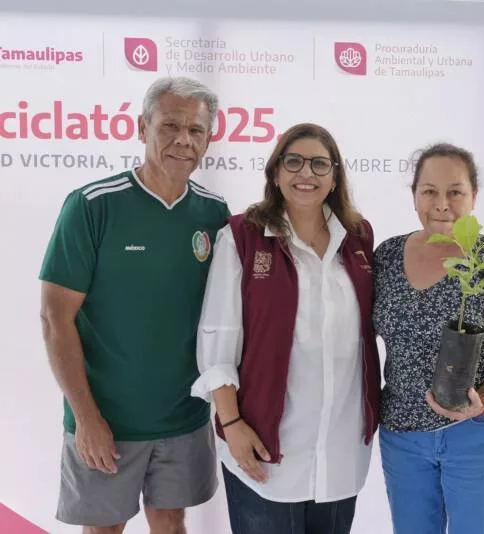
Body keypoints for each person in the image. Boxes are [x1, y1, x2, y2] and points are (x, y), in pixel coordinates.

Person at [38, 76, 229, 534]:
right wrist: (87, 418)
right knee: (103, 528)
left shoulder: (215, 213)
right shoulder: (92, 206)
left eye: (196, 130)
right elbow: (54, 318)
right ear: (142, 127)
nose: (183, 140)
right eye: (170, 126)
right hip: (107, 419)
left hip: (183, 415)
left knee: (170, 523)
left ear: (208, 139)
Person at [190, 123, 381, 534]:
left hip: (341, 453)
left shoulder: (358, 237)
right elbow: (217, 340)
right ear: (275, 173)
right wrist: (232, 425)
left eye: (319, 164)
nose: (306, 173)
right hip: (264, 452)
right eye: (293, 162)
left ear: (335, 177)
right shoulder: (242, 237)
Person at [373, 143, 484, 534]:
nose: (441, 204)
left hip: (478, 436)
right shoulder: (387, 257)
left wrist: (482, 402)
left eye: (455, 192)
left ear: (474, 196)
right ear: (414, 195)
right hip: (403, 438)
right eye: (429, 191)